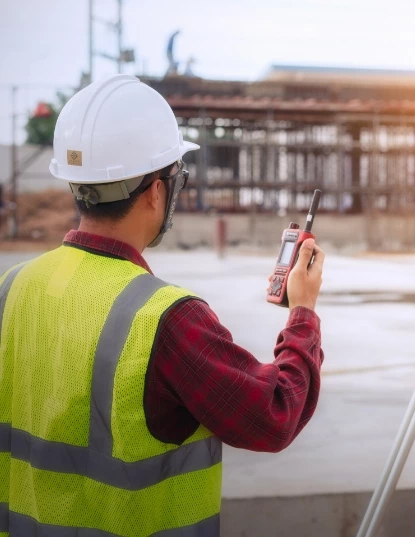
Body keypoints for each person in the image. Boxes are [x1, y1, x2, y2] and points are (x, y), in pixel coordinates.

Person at [0, 75, 325, 536]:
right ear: (156, 191)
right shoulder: (165, 318)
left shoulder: (11, 288)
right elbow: (273, 415)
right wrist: (303, 313)